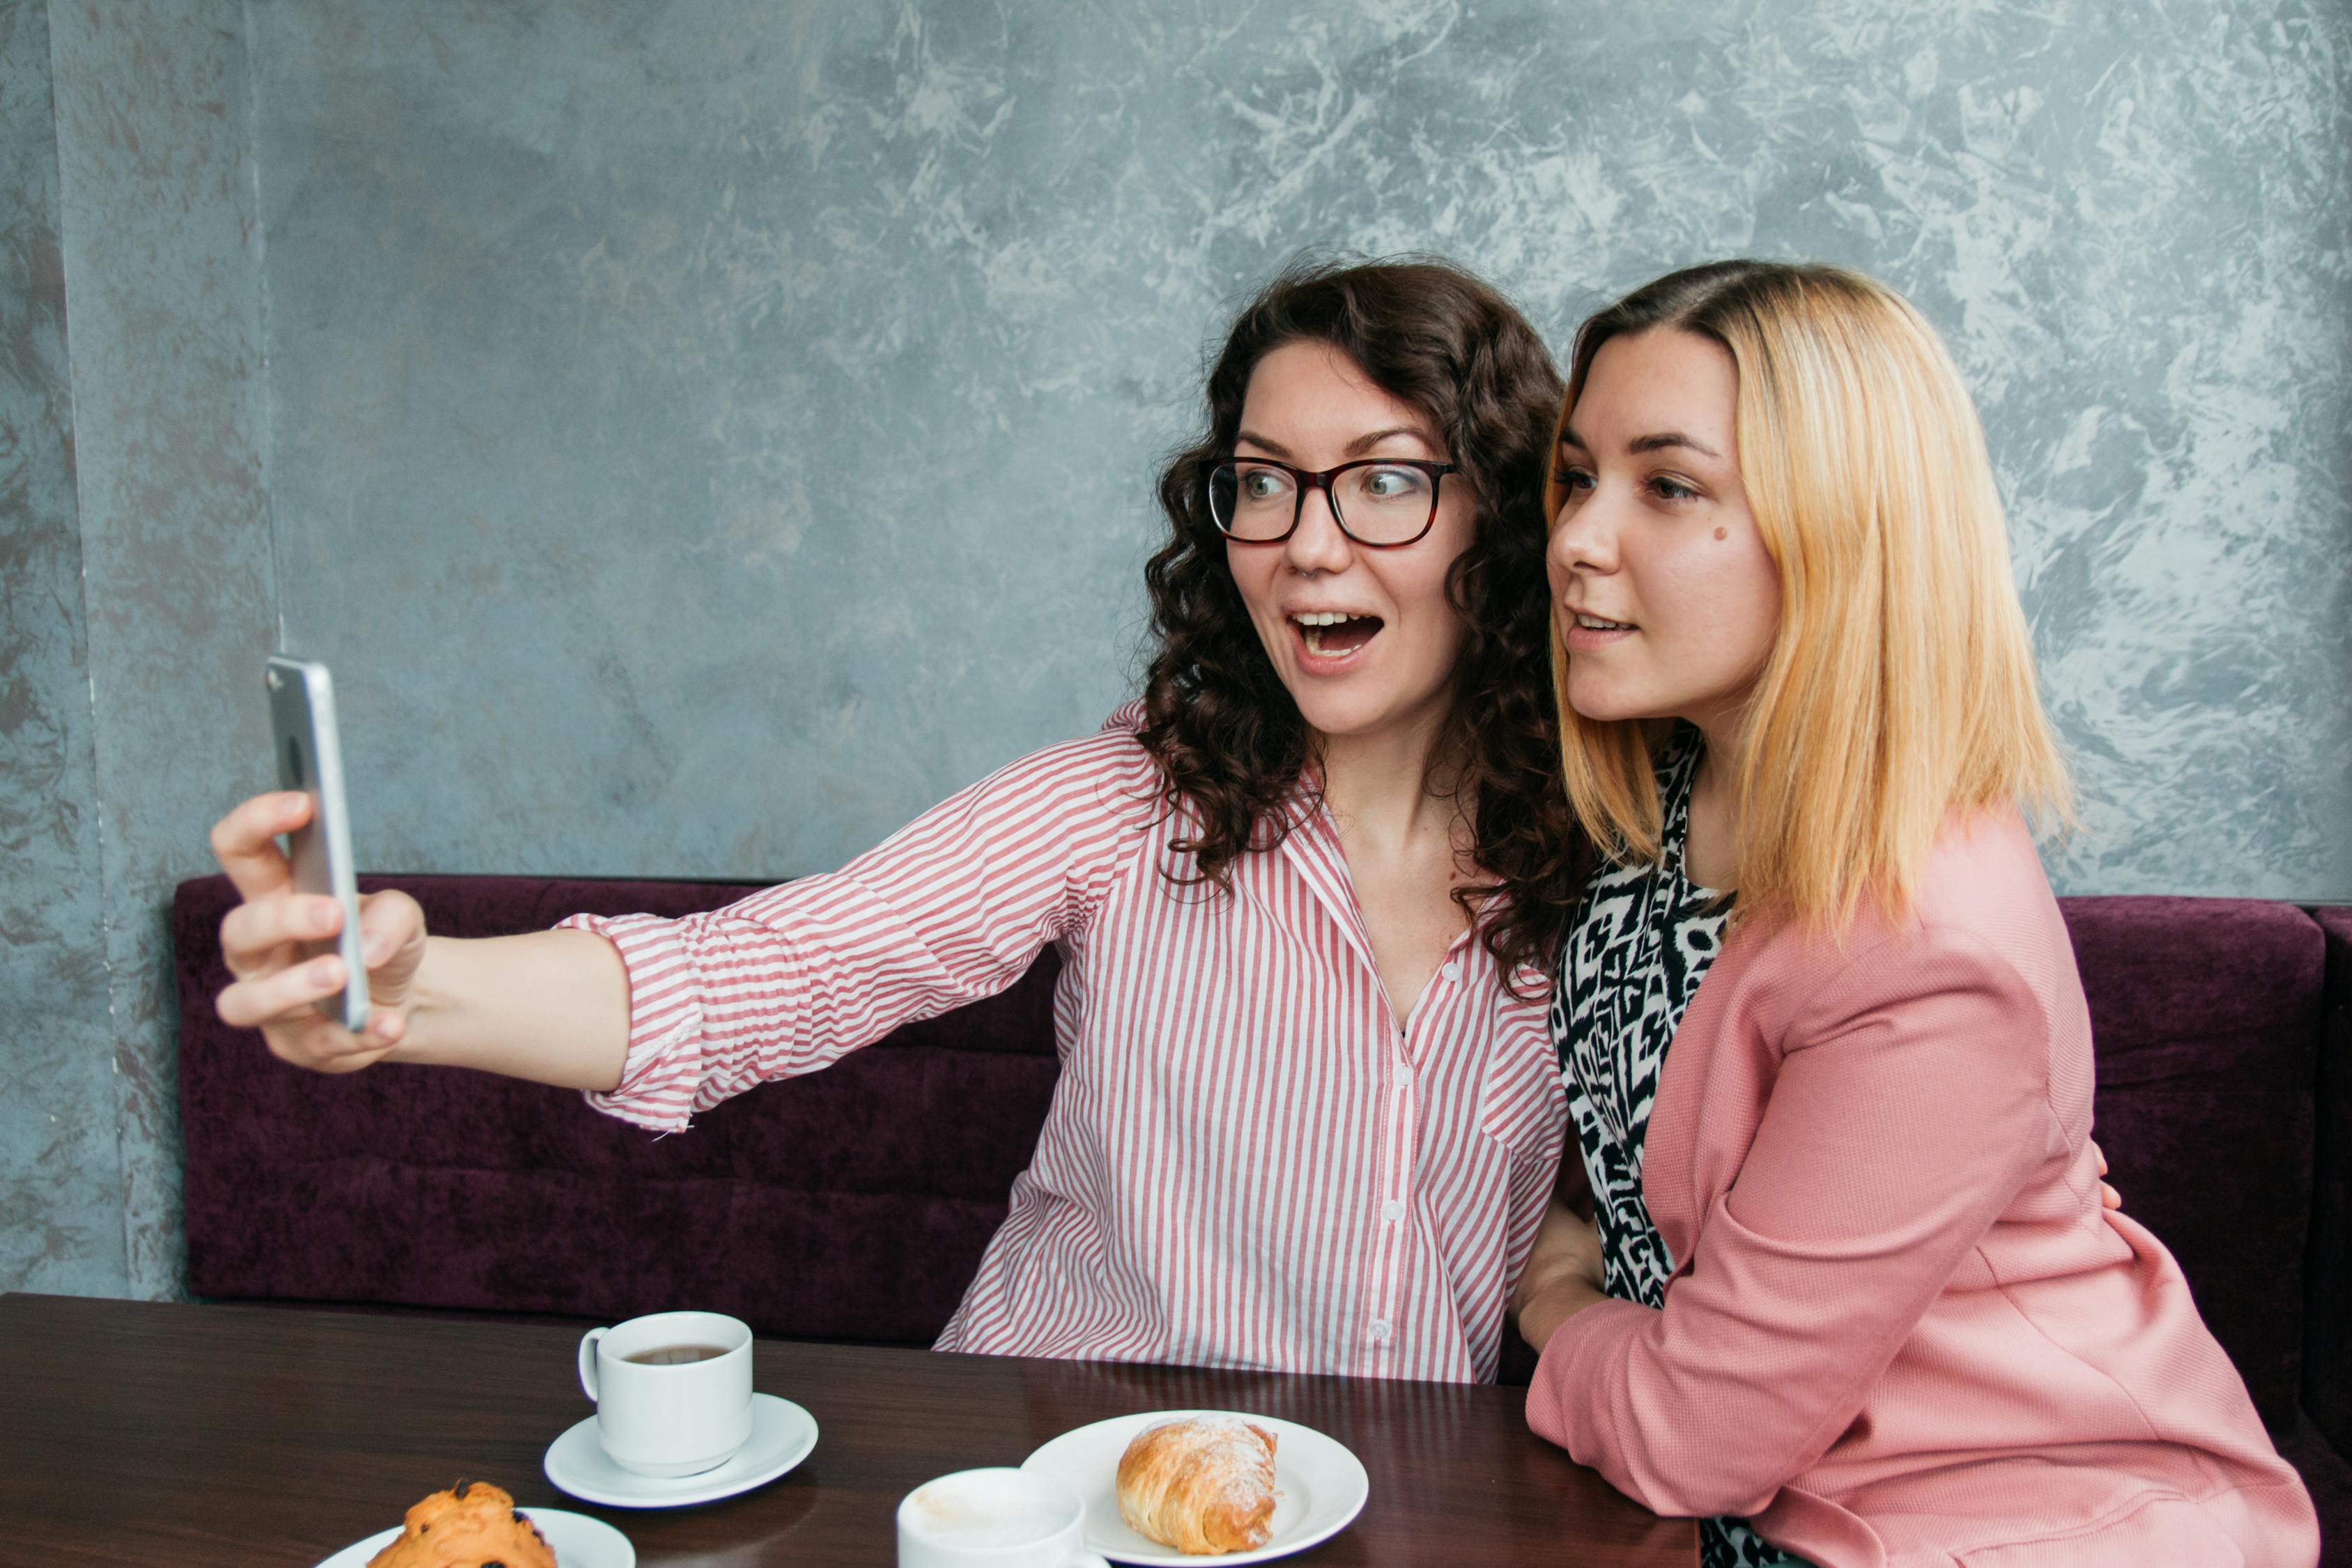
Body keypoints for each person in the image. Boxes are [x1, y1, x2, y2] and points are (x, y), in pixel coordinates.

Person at [208, 258, 1585, 1384]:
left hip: (1396, 1516)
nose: (1308, 541)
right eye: (1264, 479)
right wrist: (406, 990)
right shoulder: (1113, 808)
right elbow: (765, 976)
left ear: (1500, 521)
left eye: (1387, 478)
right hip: (1056, 1494)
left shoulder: (1596, 869)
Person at [1507, 259, 2319, 1566]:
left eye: (1669, 487)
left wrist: (1551, 1300)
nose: (1575, 539)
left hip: (2009, 1523)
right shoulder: (1664, 773)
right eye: (1577, 476)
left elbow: (1689, 1431)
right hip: (1724, 1508)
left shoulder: (1931, 945)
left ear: (1846, 530)